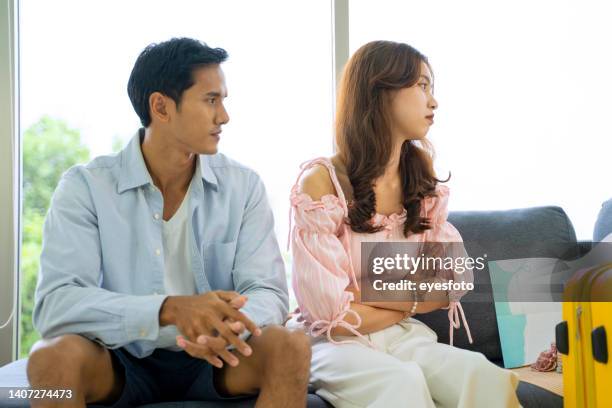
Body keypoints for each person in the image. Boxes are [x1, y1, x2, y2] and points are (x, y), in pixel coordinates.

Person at [27, 37, 310, 407]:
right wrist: (168, 309)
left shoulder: (243, 186)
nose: (224, 116)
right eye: (211, 100)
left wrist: (226, 326)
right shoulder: (86, 187)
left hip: (218, 357)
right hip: (119, 356)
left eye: (223, 100)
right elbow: (56, 305)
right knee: (49, 358)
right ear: (161, 107)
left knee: (290, 345)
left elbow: (268, 292)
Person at [286, 40, 521, 407]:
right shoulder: (320, 182)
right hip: (330, 345)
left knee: (482, 374)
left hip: (398, 332)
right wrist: (412, 294)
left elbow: (452, 281)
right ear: (381, 91)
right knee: (401, 383)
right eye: (422, 86)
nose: (433, 101)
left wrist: (370, 293)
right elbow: (330, 314)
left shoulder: (421, 180)